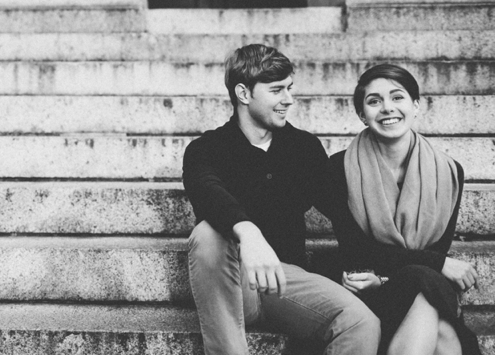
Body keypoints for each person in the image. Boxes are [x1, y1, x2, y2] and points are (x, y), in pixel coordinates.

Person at [183, 44, 380, 355]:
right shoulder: (207, 148)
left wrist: (362, 267)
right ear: (243, 94)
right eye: (276, 90)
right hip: (233, 281)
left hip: (285, 281)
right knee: (207, 234)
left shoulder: (303, 148)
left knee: (362, 322)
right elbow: (207, 190)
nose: (289, 99)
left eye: (290, 88)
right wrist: (248, 233)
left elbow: (340, 210)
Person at [328, 64, 481, 355]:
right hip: (371, 291)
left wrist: (431, 265)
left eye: (397, 97)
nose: (387, 108)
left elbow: (434, 253)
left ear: (415, 105)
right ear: (362, 115)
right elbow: (357, 251)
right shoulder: (339, 169)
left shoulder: (449, 172)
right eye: (374, 101)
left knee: (423, 283)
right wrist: (440, 264)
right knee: (443, 331)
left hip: (410, 280)